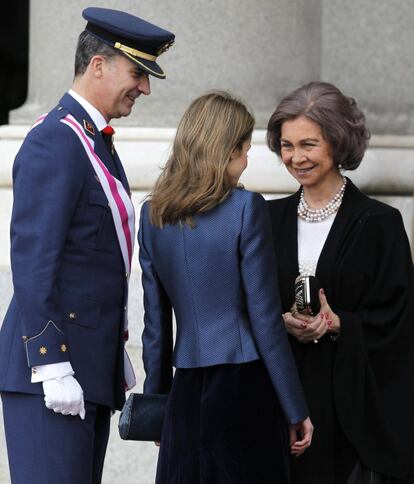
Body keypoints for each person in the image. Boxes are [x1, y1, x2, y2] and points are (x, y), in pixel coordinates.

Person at [0, 7, 174, 484]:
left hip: (85, 366)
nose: (145, 88)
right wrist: (49, 360)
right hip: (51, 371)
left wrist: (106, 346)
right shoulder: (57, 140)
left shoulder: (95, 140)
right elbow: (34, 263)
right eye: (138, 73)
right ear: (98, 65)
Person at [138, 91, 313, 484]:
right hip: (244, 386)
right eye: (246, 150)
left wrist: (158, 404)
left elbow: (156, 327)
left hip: (185, 392)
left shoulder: (152, 215)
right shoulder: (247, 208)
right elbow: (265, 319)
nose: (247, 160)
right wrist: (294, 407)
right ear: (228, 150)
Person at [266, 81, 414, 484]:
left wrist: (339, 323)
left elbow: (400, 321)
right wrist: (279, 320)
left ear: (338, 142)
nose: (296, 158)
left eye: (308, 144)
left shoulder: (380, 224)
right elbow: (247, 301)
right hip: (280, 401)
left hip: (349, 409)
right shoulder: (265, 218)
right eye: (287, 145)